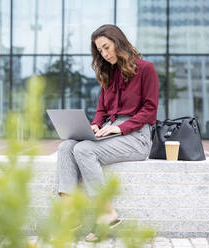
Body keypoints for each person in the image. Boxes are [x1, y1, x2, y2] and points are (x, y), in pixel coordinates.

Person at [56, 24, 159, 241]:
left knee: (84, 150)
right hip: (110, 130)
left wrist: (120, 127)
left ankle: (107, 215)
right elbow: (102, 109)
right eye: (100, 50)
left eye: (106, 47)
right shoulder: (108, 74)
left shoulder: (146, 69)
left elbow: (150, 111)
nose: (104, 54)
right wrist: (95, 124)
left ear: (118, 42)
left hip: (136, 136)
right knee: (65, 146)